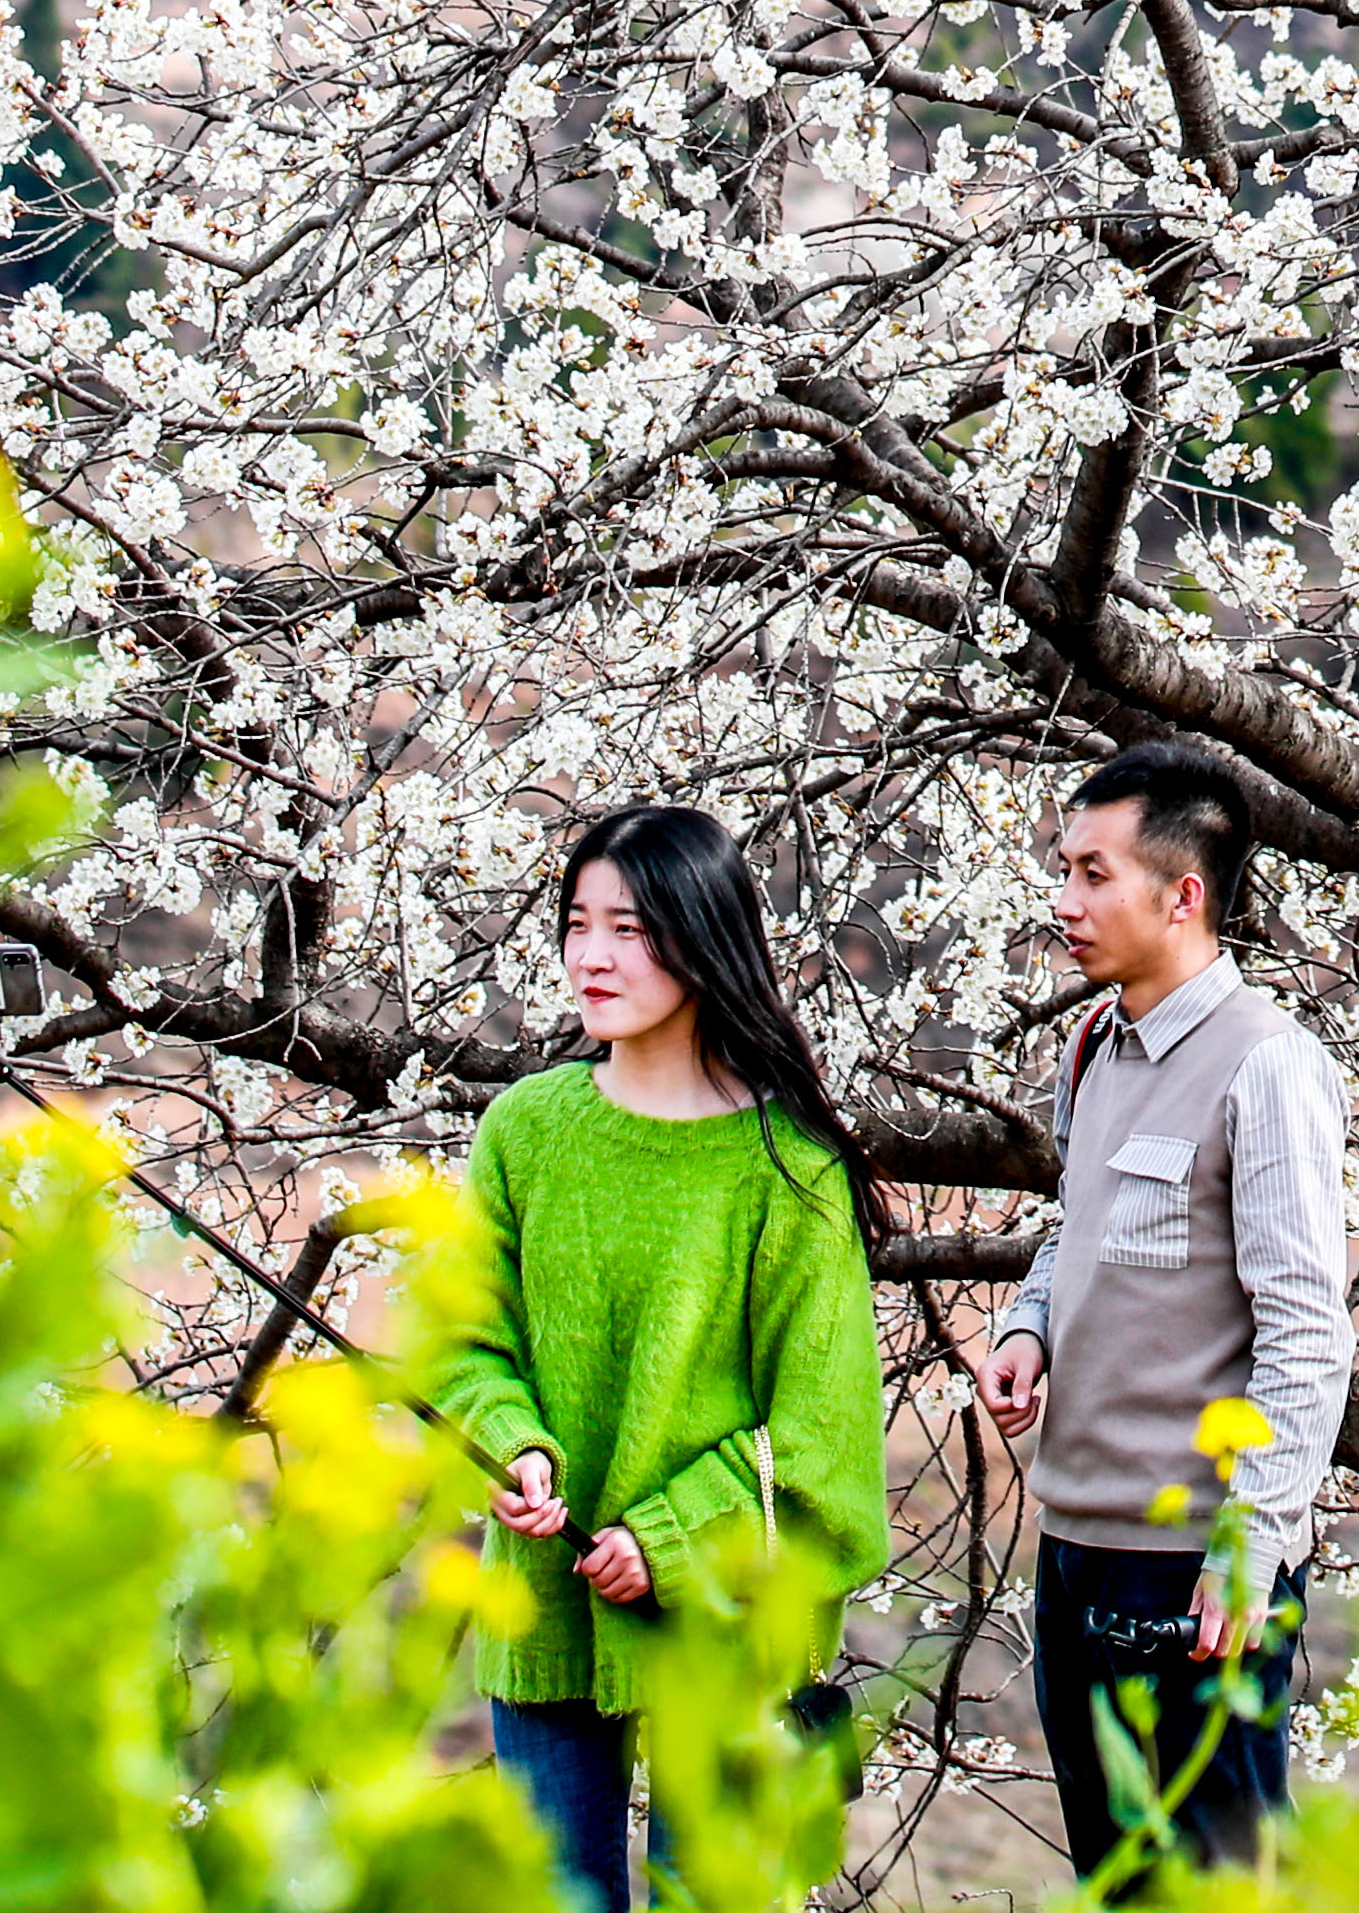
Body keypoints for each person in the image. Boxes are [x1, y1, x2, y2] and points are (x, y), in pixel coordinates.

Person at [436, 805, 890, 1913]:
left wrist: (672, 1540)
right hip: (545, 1611)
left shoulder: (789, 1169)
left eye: (631, 929)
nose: (592, 955)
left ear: (703, 937)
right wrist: (511, 1448)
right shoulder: (525, 1133)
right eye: (578, 923)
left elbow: (824, 1445)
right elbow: (462, 1341)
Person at [965, 742, 1356, 1887]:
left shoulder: (1266, 1066)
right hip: (1077, 1550)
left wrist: (1253, 1540)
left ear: (1182, 896)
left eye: (1094, 874)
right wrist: (1028, 1328)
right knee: (1119, 1880)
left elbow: (1305, 1329)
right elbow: (1073, 1229)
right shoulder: (1091, 1047)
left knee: (1216, 1887)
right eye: (1065, 868)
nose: (1064, 901)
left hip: (1195, 1566)